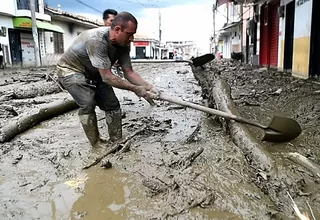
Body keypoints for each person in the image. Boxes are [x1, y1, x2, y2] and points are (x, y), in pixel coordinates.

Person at [56, 12, 160, 148]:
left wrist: (148, 86)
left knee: (112, 105)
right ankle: (96, 144)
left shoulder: (123, 44)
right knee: (87, 103)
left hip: (96, 72)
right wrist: (135, 89)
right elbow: (107, 77)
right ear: (117, 30)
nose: (132, 38)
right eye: (129, 34)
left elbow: (129, 72)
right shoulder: (97, 40)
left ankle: (116, 141)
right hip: (71, 70)